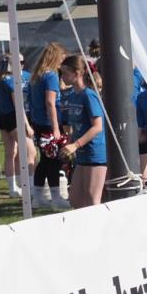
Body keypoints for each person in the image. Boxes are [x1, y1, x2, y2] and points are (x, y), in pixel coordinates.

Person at [59, 56, 106, 208]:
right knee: (75, 199)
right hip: (82, 154)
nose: (62, 77)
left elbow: (97, 126)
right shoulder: (73, 95)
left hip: (95, 153)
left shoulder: (89, 95)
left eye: (65, 73)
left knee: (93, 200)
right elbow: (75, 125)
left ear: (78, 73)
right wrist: (70, 144)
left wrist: (76, 145)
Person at [29, 42, 70, 210]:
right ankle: (55, 197)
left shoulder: (37, 76)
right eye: (61, 58)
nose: (63, 61)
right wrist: (55, 127)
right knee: (53, 160)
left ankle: (38, 196)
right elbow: (50, 102)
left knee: (45, 160)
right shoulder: (51, 75)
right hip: (48, 123)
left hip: (38, 122)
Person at [0, 55, 35, 198]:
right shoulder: (10, 80)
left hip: (3, 117)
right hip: (14, 118)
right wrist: (27, 125)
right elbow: (18, 104)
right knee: (30, 152)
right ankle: (30, 187)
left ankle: (13, 188)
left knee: (11, 153)